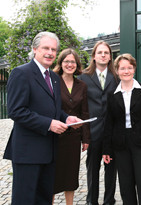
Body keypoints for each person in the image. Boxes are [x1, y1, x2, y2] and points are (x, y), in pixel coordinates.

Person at [3, 31, 82, 205]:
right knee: (25, 200)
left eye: (53, 49)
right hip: (27, 153)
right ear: (35, 49)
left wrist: (67, 118)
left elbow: (55, 110)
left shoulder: (53, 77)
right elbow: (16, 111)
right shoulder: (21, 73)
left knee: (44, 199)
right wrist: (49, 124)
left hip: (50, 151)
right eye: (46, 48)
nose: (50, 53)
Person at [103, 53, 141, 205]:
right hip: (120, 144)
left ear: (134, 69)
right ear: (117, 71)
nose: (126, 71)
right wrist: (106, 150)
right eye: (122, 68)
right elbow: (109, 123)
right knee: (125, 184)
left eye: (129, 67)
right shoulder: (112, 94)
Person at [77, 41, 118, 205]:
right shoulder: (83, 78)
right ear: (94, 56)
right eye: (100, 52)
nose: (103, 55)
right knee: (92, 170)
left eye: (106, 53)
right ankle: (91, 201)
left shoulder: (116, 77)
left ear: (110, 57)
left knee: (111, 171)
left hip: (112, 132)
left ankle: (109, 201)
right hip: (92, 132)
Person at [52, 48, 90, 204]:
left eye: (72, 61)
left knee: (71, 176)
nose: (69, 64)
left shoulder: (82, 85)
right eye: (66, 61)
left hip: (73, 138)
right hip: (55, 136)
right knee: (53, 177)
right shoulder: (53, 81)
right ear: (60, 63)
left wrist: (86, 138)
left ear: (77, 64)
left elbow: (85, 112)